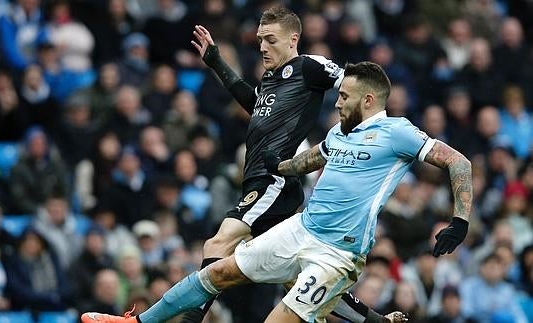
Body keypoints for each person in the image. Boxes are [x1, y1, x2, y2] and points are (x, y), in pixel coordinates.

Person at [82, 61, 471, 322]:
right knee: (218, 270)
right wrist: (279, 166)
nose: (336, 103)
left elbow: (459, 162)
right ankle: (138, 321)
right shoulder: (341, 131)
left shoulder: (397, 132)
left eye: (344, 97)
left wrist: (459, 220)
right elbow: (315, 158)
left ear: (369, 100)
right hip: (301, 229)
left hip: (338, 253)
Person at [83, 6, 400, 323]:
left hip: (273, 180)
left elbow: (357, 86)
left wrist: (370, 132)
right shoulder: (272, 77)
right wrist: (218, 64)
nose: (262, 46)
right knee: (297, 276)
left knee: (220, 241)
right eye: (260, 39)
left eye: (271, 39)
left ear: (293, 39)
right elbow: (256, 105)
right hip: (257, 180)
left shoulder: (311, 66)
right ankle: (377, 321)